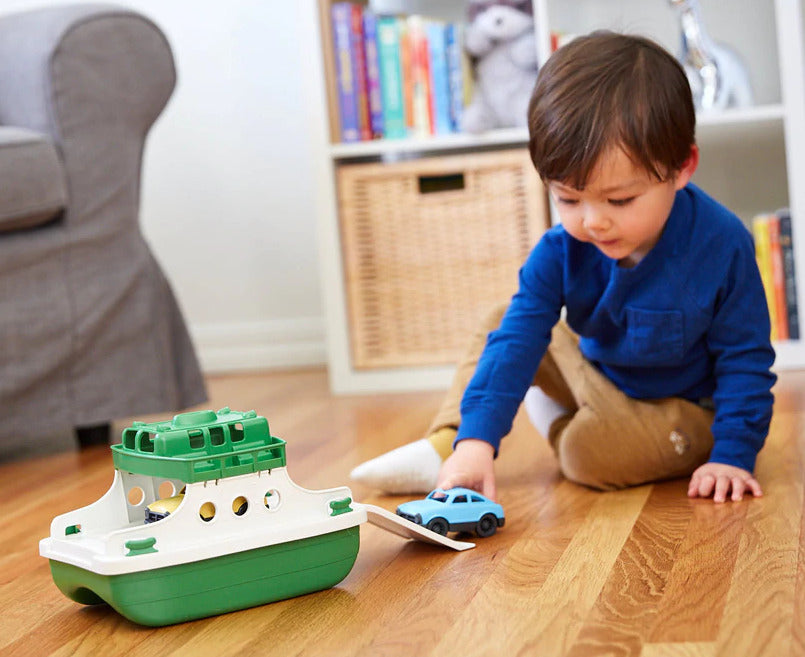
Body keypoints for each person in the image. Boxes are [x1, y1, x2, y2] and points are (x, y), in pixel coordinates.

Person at [350, 31, 776, 504]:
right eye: (568, 199)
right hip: (599, 376)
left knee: (584, 456)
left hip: (685, 411)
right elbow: (518, 337)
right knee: (504, 324)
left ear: (681, 168)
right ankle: (447, 445)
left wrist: (733, 454)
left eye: (620, 199)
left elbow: (745, 358)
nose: (593, 221)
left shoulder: (723, 244)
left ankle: (556, 417)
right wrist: (477, 442)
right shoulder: (561, 248)